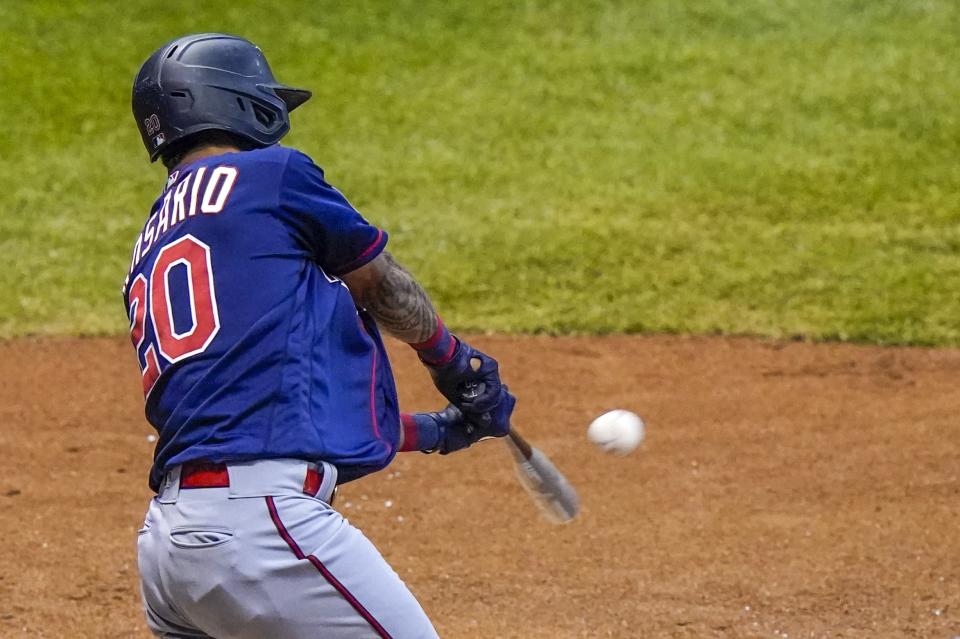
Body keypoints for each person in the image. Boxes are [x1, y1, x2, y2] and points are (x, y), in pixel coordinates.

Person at [123, 32, 516, 639]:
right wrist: (452, 362)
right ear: (234, 102)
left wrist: (436, 430)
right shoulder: (269, 174)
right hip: (263, 537)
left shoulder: (153, 245)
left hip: (169, 553)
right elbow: (381, 287)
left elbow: (253, 411)